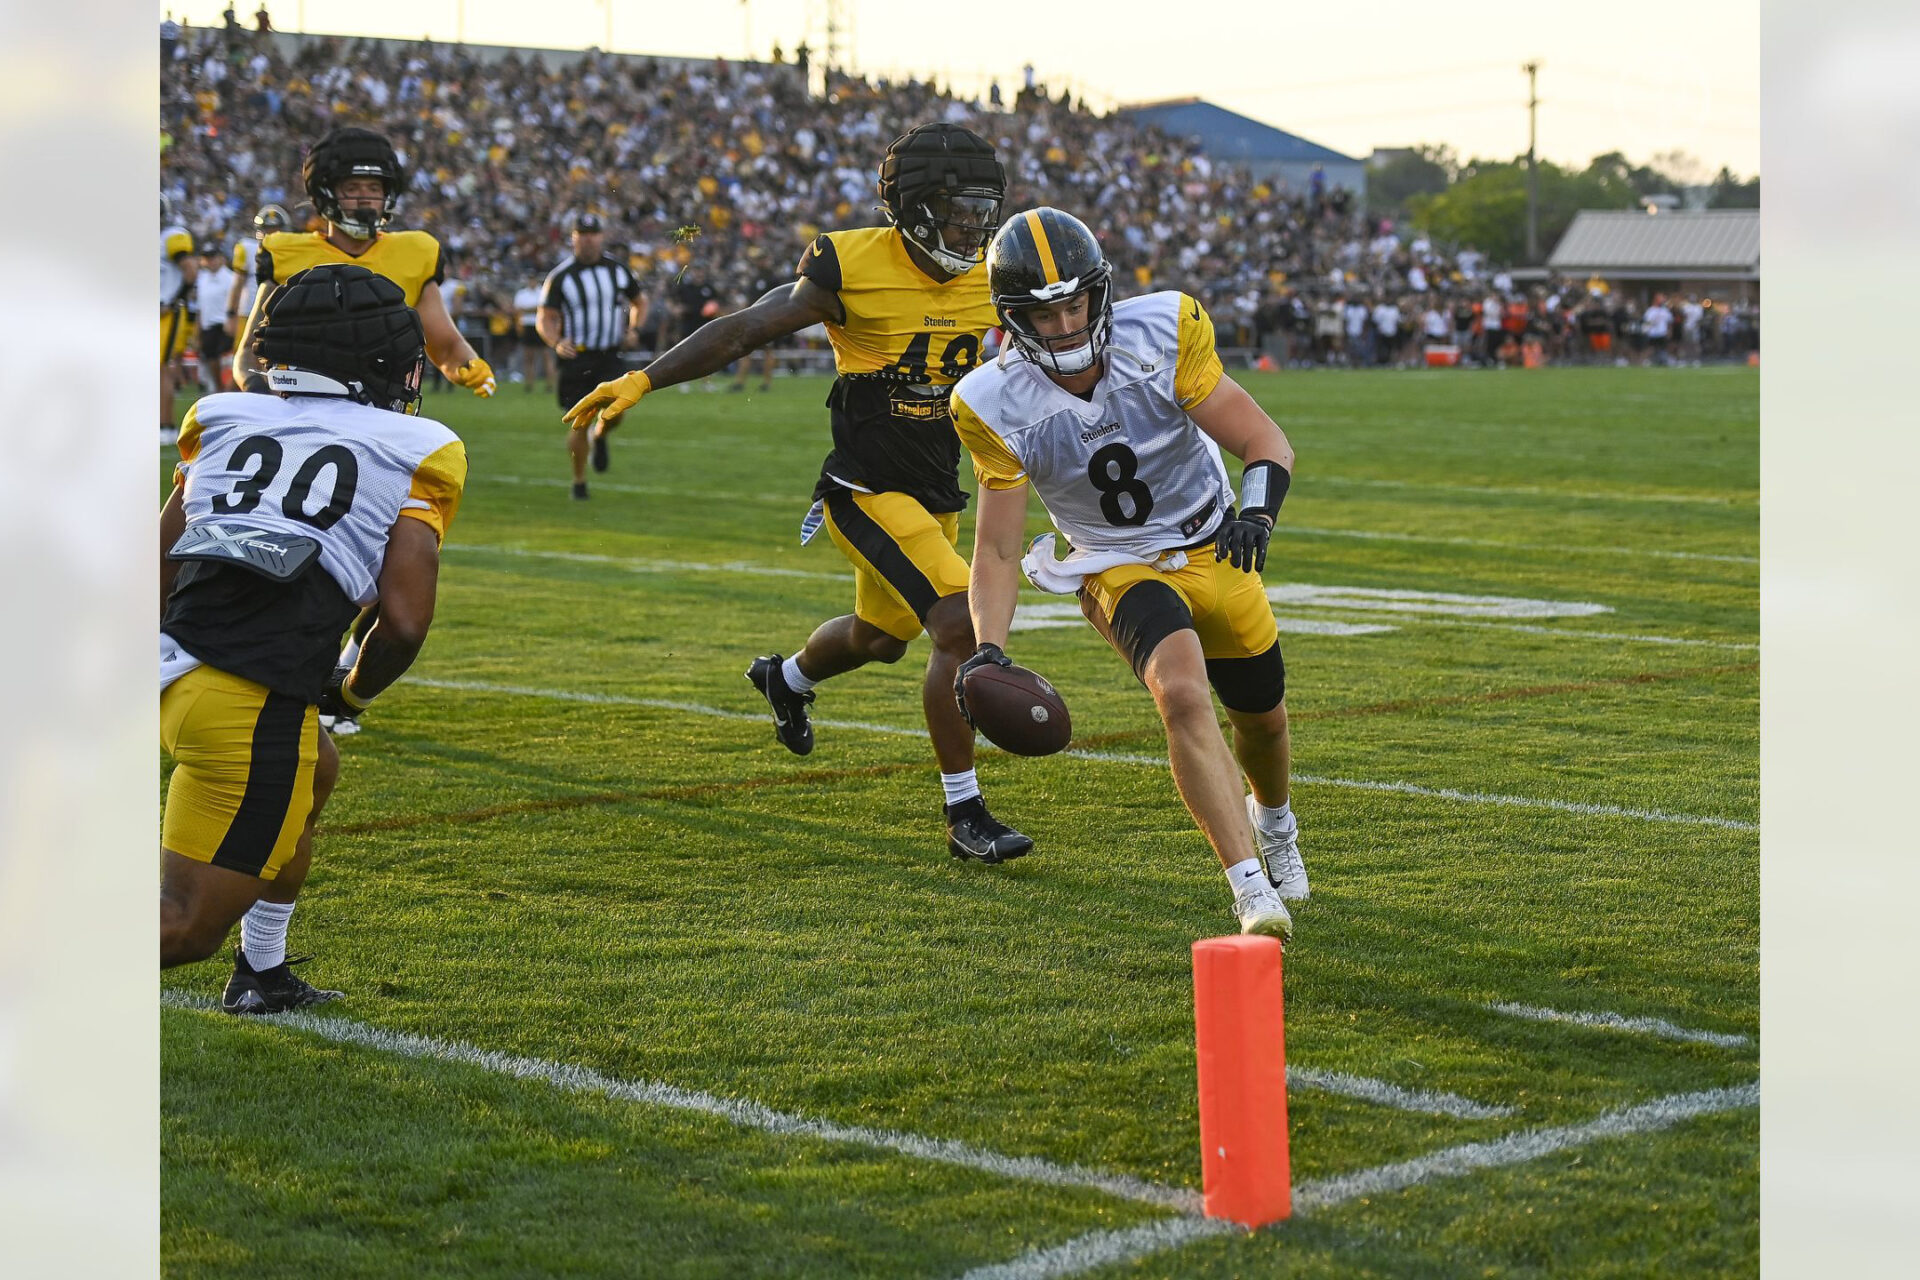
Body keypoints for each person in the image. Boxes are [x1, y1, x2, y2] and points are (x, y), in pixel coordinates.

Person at [562, 123, 1031, 864]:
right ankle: (964, 813)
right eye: (956, 209)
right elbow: (748, 329)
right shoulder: (850, 262)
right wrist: (643, 377)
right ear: (910, 209)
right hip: (865, 488)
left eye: (982, 210)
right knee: (959, 627)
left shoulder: (995, 273)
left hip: (938, 487)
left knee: (881, 639)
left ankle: (784, 679)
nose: (972, 226)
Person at [950, 207, 1306, 939]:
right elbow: (993, 550)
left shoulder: (1165, 330)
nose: (1065, 326)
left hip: (1214, 541)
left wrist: (1259, 515)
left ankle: (1275, 824)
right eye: (1043, 315)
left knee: (1262, 722)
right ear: (1014, 319)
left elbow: (1264, 439)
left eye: (1076, 303)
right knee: (1178, 690)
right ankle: (1248, 889)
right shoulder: (991, 401)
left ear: (1100, 293)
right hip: (1114, 564)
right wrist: (988, 643)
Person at [160, 263, 466, 1010]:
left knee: (316, 771)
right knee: (182, 926)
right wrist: (352, 689)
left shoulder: (222, 415)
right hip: (248, 693)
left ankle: (262, 972)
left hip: (175, 666)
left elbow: (160, 558)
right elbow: (403, 621)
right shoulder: (418, 445)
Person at [234, 127, 495, 403]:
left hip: (385, 417)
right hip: (304, 412)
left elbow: (446, 346)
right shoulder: (286, 252)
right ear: (326, 192)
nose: (364, 198)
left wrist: (468, 364)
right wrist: (258, 391)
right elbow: (250, 351)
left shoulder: (415, 252)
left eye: (374, 188)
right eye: (352, 188)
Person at [537, 213, 647, 497]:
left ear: (601, 236)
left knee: (619, 409)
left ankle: (600, 437)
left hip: (610, 354)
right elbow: (545, 317)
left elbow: (640, 301)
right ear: (573, 237)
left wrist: (634, 329)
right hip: (578, 357)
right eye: (581, 234)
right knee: (579, 420)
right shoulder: (561, 276)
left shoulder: (618, 270)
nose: (587, 239)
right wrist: (556, 341)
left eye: (592, 234)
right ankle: (579, 481)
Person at [227, 203, 291, 353]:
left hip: (280, 312)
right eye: (268, 229)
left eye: (275, 230)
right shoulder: (247, 247)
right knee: (245, 354)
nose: (271, 234)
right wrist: (231, 313)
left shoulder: (292, 249)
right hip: (250, 311)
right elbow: (237, 284)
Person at [160, 195, 198, 444]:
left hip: (166, 313)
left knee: (160, 369)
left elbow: (191, 270)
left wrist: (174, 302)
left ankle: (166, 426)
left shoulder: (172, 236)